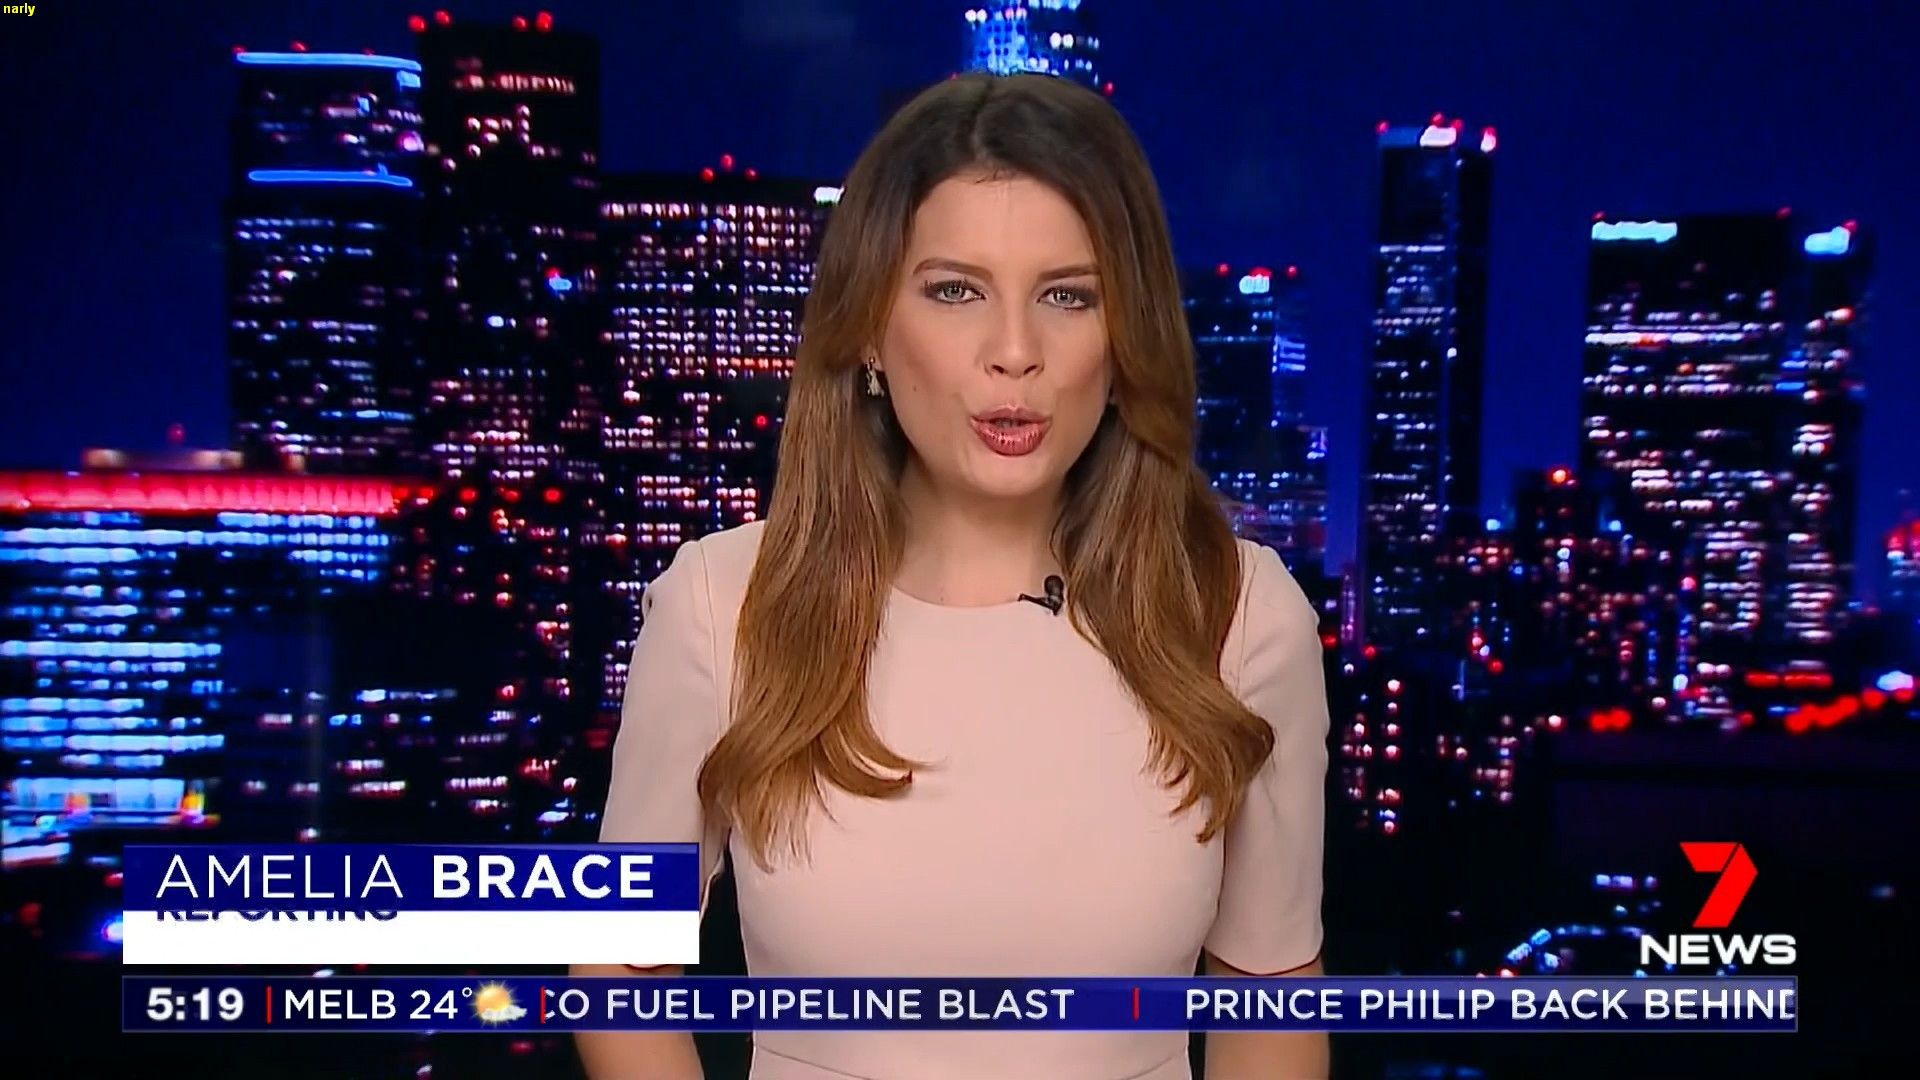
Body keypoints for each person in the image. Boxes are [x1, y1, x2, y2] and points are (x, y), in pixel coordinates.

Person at [575, 71, 1332, 1080]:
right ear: (869, 330)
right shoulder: (723, 604)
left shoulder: (1238, 616)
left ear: (1125, 339)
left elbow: (1271, 997)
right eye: (955, 291)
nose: (1014, 352)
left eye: (1067, 296)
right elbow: (618, 973)